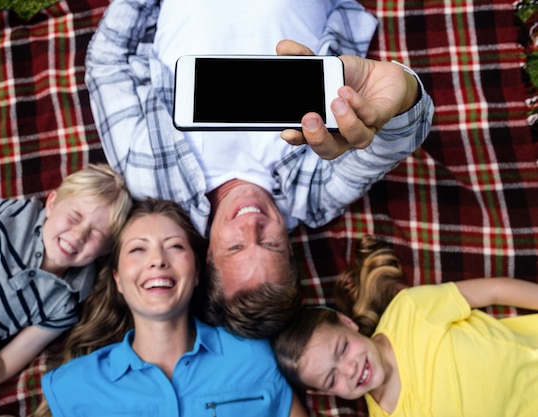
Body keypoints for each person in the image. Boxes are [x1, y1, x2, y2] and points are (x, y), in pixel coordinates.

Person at [85, 0, 436, 338]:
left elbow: (106, 64)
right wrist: (402, 93)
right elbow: (394, 140)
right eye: (270, 244)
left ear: (207, 254)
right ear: (288, 245)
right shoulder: (314, 196)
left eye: (236, 248)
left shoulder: (149, 180)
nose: (252, 225)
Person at [36, 198, 308, 417]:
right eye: (137, 249)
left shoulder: (255, 356)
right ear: (117, 278)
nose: (157, 260)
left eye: (175, 246)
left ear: (198, 271)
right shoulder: (74, 385)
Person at [0, 163, 132, 385]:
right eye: (75, 217)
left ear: (106, 250)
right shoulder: (16, 214)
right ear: (52, 203)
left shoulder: (63, 306)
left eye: (96, 234)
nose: (78, 235)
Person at [271, 235, 538, 417]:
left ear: (347, 322)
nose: (349, 369)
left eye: (342, 350)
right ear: (324, 392)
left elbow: (493, 290)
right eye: (332, 378)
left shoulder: (409, 311)